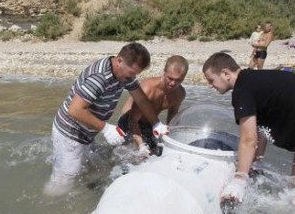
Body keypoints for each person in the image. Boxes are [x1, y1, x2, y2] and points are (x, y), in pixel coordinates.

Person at [202, 52, 295, 205]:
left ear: (225, 73)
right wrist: (255, 162)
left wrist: (240, 178)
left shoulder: (242, 90)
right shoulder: (252, 81)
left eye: (211, 80)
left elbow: (248, 139)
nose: (210, 86)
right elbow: (260, 129)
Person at [45, 42, 169, 196]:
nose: (133, 78)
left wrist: (156, 123)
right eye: (132, 73)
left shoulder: (125, 74)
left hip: (88, 133)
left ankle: (81, 189)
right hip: (70, 133)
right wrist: (106, 129)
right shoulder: (99, 77)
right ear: (119, 61)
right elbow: (75, 110)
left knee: (93, 166)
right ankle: (48, 205)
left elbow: (141, 100)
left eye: (136, 74)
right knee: (63, 182)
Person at [118, 55, 188, 157]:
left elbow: (172, 117)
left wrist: (171, 139)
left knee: (156, 154)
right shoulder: (148, 88)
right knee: (132, 156)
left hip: (150, 124)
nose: (173, 83)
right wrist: (141, 146)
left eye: (178, 80)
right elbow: (133, 120)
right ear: (164, 72)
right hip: (129, 121)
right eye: (170, 78)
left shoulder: (180, 94)